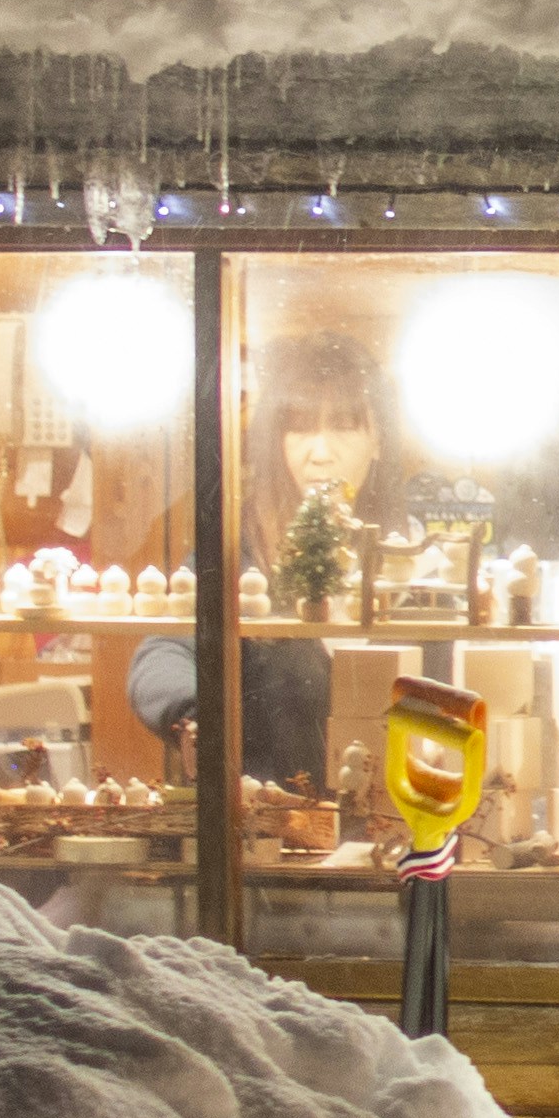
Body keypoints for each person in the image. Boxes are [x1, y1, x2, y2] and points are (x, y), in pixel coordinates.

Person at [129, 328, 381, 806]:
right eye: (301, 428)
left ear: (378, 440)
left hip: (403, 831)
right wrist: (193, 716)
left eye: (344, 427)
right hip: (272, 840)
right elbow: (163, 652)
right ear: (277, 442)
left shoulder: (416, 557)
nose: (321, 452)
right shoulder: (238, 553)